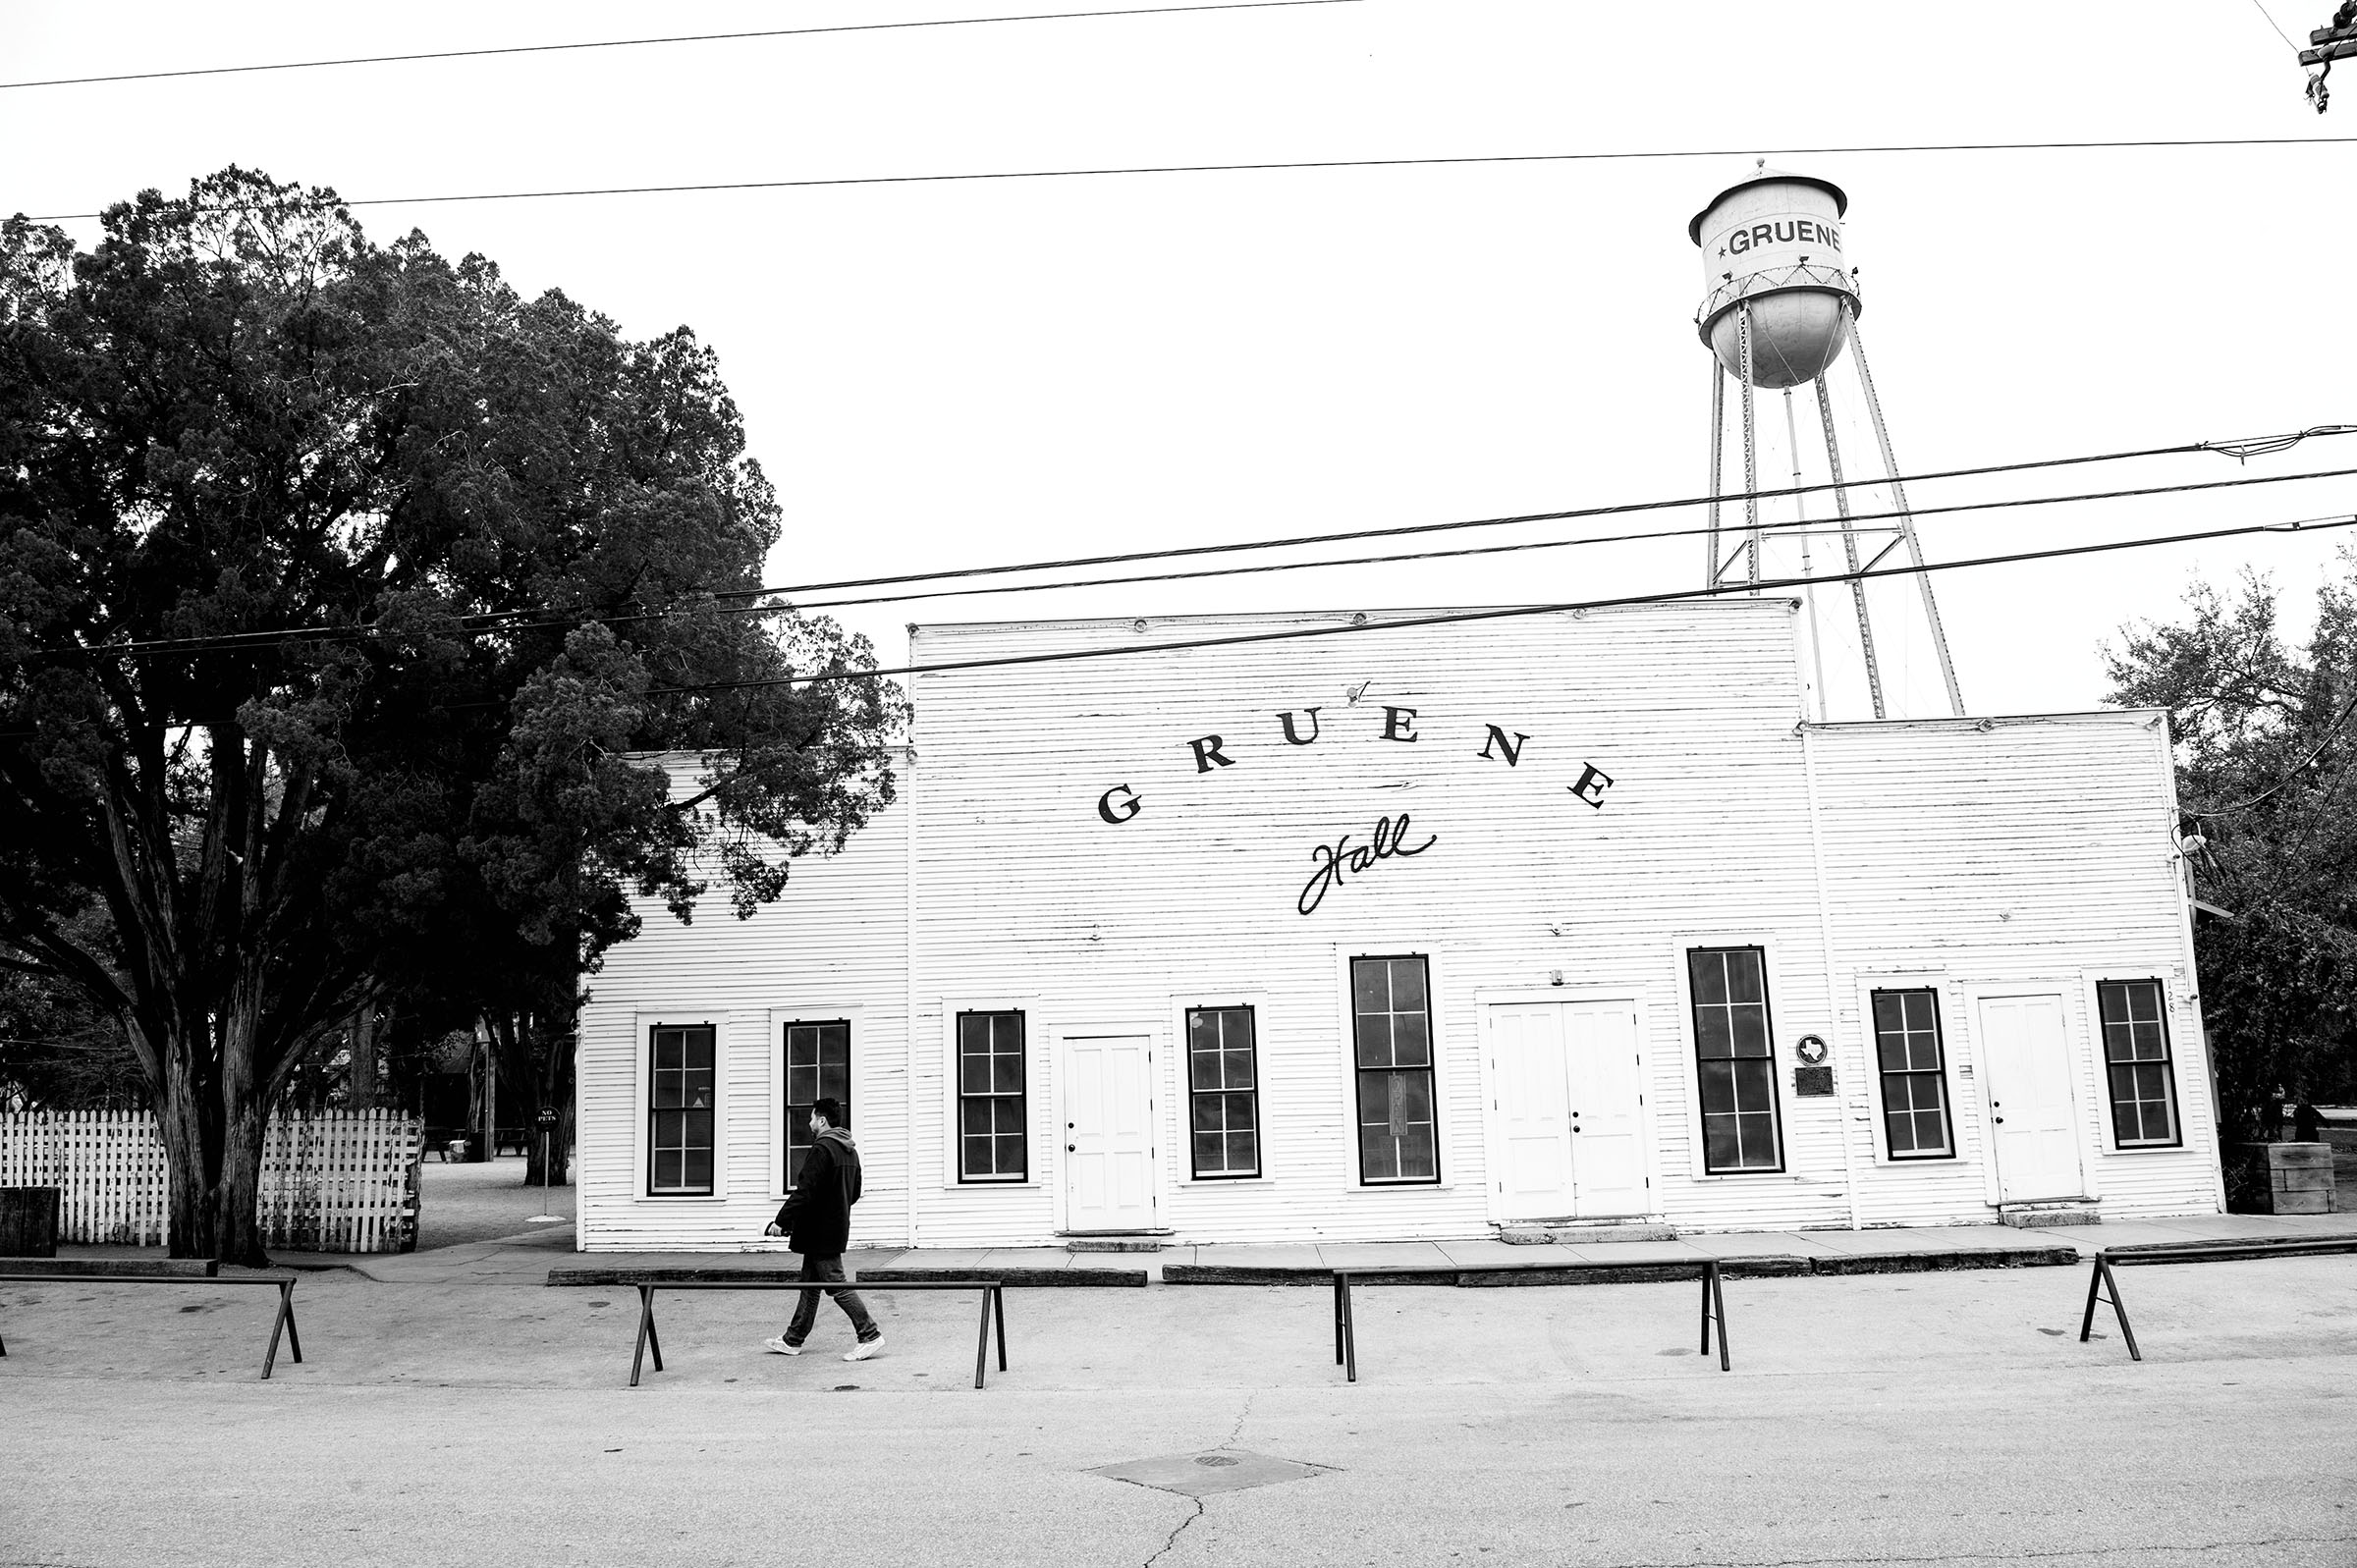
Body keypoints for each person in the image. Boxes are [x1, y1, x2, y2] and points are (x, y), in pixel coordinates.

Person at [762, 1097, 883, 1361]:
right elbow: (854, 1192)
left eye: (812, 1118)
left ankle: (869, 1334)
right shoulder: (849, 1149)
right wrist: (835, 1209)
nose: (809, 1123)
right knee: (810, 1285)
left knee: (836, 1285)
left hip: (820, 1231)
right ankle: (792, 1340)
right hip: (833, 1227)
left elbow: (806, 1191)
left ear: (822, 1120)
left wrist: (780, 1222)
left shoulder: (822, 1148)